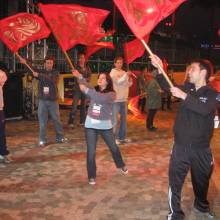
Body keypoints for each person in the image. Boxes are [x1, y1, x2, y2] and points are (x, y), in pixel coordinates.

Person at [150, 54, 218, 220]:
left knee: (202, 183)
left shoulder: (213, 93)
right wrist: (160, 68)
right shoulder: (187, 87)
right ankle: (175, 214)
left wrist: (183, 96)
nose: (189, 72)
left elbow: (205, 109)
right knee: (175, 182)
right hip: (180, 146)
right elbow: (168, 86)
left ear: (203, 73)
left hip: (201, 149)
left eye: (192, 69)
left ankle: (201, 205)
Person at [72, 70, 128, 185]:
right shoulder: (94, 89)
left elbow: (99, 98)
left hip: (105, 126)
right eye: (99, 77)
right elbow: (85, 84)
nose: (100, 79)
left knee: (113, 148)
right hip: (90, 125)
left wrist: (86, 90)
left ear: (107, 82)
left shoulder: (112, 94)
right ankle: (91, 176)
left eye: (103, 78)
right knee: (91, 152)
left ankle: (120, 165)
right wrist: (79, 76)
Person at [19, 56, 67, 147]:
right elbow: (31, 70)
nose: (49, 64)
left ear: (53, 64)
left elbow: (52, 80)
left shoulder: (55, 72)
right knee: (42, 121)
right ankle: (42, 140)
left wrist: (39, 75)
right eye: (47, 62)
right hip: (43, 101)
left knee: (56, 120)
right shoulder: (41, 71)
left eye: (51, 63)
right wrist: (25, 63)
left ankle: (60, 137)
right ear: (45, 63)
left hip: (53, 101)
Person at [110, 56, 132, 145]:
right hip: (116, 100)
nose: (120, 64)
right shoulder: (112, 72)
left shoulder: (124, 72)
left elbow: (127, 84)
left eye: (121, 63)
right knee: (114, 121)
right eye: (118, 62)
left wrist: (130, 80)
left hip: (124, 99)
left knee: (124, 120)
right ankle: (112, 139)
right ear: (115, 63)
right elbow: (118, 82)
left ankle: (122, 137)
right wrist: (126, 75)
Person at [68, 52, 91, 128]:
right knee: (74, 106)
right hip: (77, 89)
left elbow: (89, 78)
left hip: (85, 89)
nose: (82, 59)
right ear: (78, 59)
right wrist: (82, 78)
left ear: (85, 59)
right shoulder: (75, 68)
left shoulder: (88, 68)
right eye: (80, 58)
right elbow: (77, 79)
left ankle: (82, 122)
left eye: (83, 58)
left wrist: (82, 78)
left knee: (83, 106)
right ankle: (71, 122)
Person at [0, 69, 11, 163]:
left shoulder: (1, 74)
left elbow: (4, 77)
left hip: (0, 109)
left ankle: (3, 154)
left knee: (1, 134)